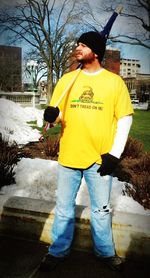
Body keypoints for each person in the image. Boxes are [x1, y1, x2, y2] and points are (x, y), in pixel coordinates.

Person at [40, 29, 134, 272]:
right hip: (70, 154)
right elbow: (56, 117)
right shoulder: (67, 79)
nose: (77, 48)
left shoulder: (115, 82)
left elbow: (124, 120)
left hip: (99, 158)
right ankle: (57, 252)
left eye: (83, 45)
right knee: (63, 208)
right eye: (77, 44)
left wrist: (114, 154)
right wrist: (52, 115)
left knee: (101, 210)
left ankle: (105, 253)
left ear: (96, 52)